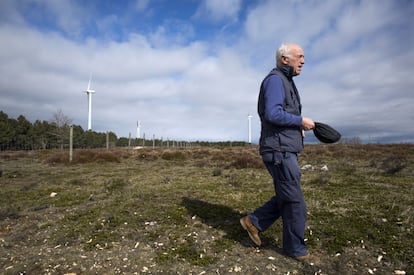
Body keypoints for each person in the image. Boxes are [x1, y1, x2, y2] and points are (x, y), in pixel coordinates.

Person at [240, 43, 316, 261]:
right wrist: (300, 121)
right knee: (294, 201)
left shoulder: (286, 81)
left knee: (288, 194)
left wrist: (296, 127)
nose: (303, 61)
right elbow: (273, 113)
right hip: (279, 151)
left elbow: (281, 115)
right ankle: (295, 249)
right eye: (299, 56)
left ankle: (254, 222)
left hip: (284, 148)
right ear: (285, 59)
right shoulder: (275, 80)